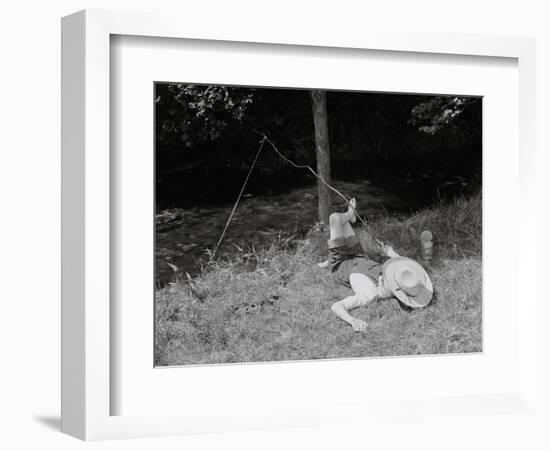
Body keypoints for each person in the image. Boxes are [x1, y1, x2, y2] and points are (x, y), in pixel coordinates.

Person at [319, 198, 433, 332]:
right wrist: (391, 253)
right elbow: (406, 265)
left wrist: (353, 321)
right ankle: (349, 218)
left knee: (335, 219)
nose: (392, 273)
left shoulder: (368, 295)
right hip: (358, 254)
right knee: (341, 224)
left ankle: (350, 216)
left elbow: (336, 306)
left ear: (395, 288)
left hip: (340, 263)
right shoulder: (392, 278)